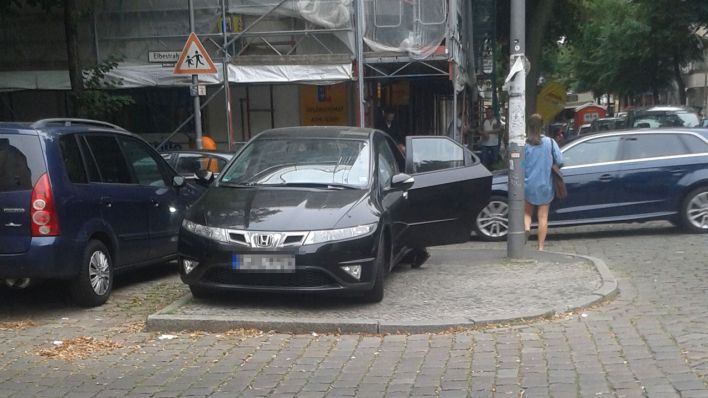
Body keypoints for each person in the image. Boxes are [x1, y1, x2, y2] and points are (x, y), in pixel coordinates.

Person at [524, 113, 562, 251]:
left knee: (527, 213)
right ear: (542, 126)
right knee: (543, 217)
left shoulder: (525, 144)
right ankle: (540, 247)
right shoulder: (550, 142)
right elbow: (560, 161)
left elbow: (520, 165)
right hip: (545, 184)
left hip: (528, 184)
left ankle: (527, 228)